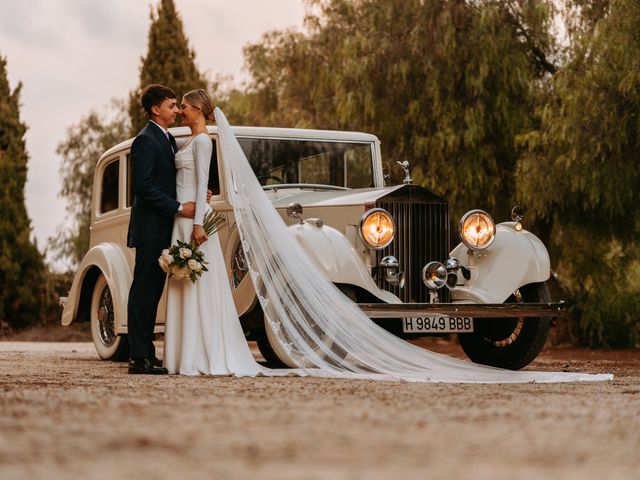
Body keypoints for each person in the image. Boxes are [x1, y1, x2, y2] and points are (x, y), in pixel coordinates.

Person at [162, 89, 611, 383]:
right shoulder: (205, 147)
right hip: (198, 221)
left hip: (403, 270)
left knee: (503, 239)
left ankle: (436, 287)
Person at [163, 89, 266, 376]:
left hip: (193, 221)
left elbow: (200, 184)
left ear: (197, 109)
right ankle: (182, 354)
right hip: (182, 218)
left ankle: (200, 355)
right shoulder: (188, 141)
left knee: (197, 286)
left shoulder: (203, 141)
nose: (181, 111)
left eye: (184, 106)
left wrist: (197, 224)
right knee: (183, 284)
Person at [126, 84, 196, 375]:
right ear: (156, 109)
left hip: (163, 227)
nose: (177, 110)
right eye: (171, 106)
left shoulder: (165, 139)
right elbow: (143, 187)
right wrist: (178, 208)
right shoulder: (145, 140)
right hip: (150, 228)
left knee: (153, 292)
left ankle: (146, 354)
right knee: (143, 291)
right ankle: (138, 357)